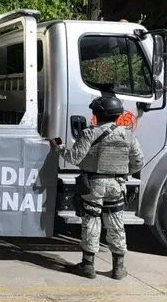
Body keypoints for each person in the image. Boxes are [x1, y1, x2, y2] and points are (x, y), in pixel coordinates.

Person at [50, 96, 144, 280]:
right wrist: (122, 172)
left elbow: (74, 158)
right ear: (118, 115)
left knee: (92, 222)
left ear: (97, 114)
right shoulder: (128, 134)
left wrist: (59, 147)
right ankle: (118, 268)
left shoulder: (89, 133)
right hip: (117, 184)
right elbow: (138, 162)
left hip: (94, 184)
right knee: (116, 223)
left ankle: (88, 265)